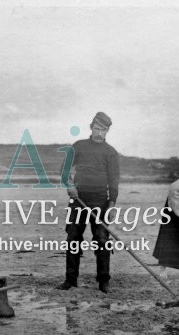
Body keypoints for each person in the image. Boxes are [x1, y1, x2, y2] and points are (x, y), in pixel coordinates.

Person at [57, 112, 120, 293]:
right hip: (78, 199)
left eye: (103, 129)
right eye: (97, 128)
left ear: (108, 130)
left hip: (101, 201)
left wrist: (112, 204)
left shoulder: (111, 152)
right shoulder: (79, 146)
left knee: (102, 240)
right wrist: (69, 185)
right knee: (73, 239)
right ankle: (70, 280)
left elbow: (114, 181)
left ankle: (103, 281)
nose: (99, 132)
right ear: (91, 127)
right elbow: (64, 170)